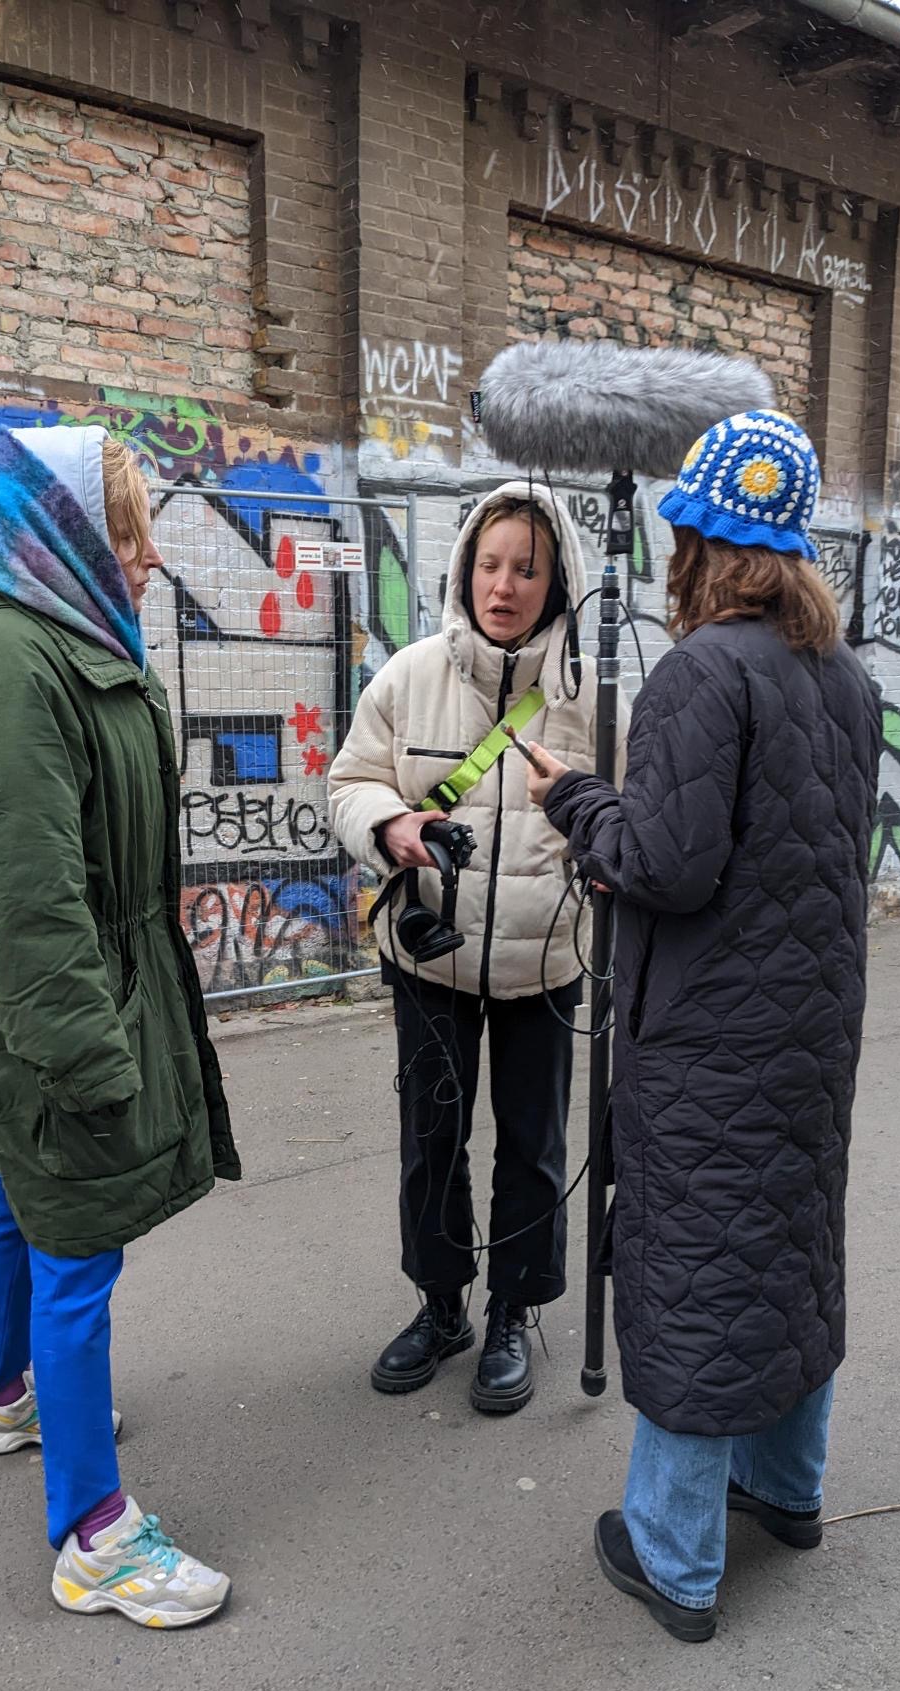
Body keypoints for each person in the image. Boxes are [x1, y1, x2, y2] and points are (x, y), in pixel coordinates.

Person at [524, 412, 881, 1640]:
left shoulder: (698, 672)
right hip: (809, 1029)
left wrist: (574, 799)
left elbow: (667, 867)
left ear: (700, 546)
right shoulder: (847, 681)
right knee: (785, 1249)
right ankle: (785, 1491)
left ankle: (673, 1554)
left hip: (706, 1036)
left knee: (694, 1265)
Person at [0, 423, 242, 1629]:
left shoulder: (61, 637)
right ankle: (94, 1537)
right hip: (59, 1001)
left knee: (26, 1181)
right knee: (77, 1237)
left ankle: (1, 1392)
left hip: (85, 984)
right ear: (56, 536)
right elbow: (24, 891)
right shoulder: (12, 662)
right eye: (123, 532)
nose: (149, 558)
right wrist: (84, 1051)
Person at [329, 485, 626, 1413]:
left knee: (534, 1145)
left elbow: (628, 816)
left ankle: (512, 1310)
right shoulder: (409, 674)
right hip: (431, 956)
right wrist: (396, 828)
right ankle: (441, 1302)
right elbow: (350, 783)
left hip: (545, 959)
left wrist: (603, 847)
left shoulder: (593, 695)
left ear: (558, 581)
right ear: (464, 570)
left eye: (526, 569)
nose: (504, 586)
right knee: (433, 1138)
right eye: (489, 565)